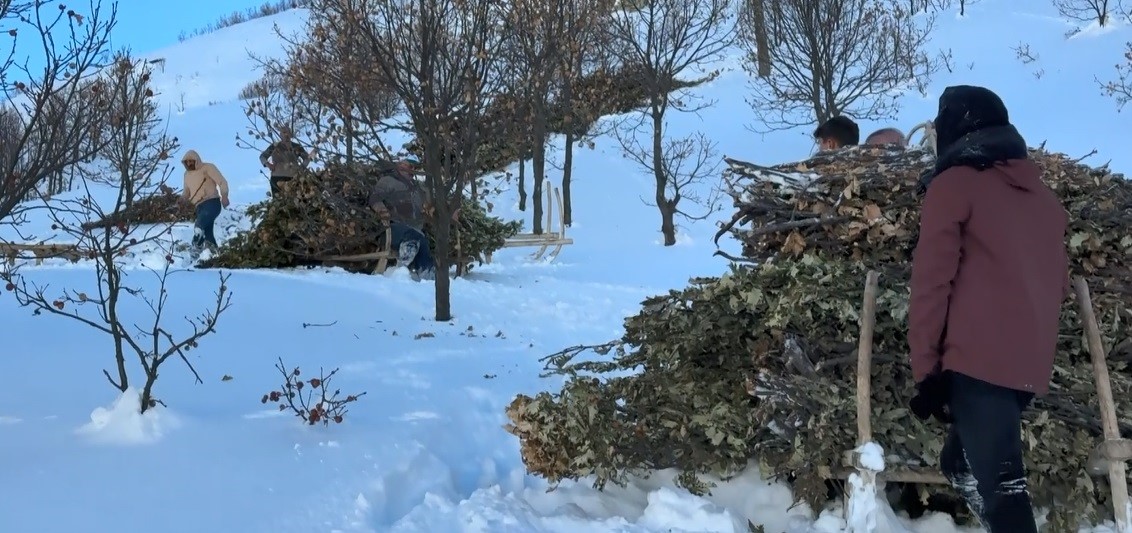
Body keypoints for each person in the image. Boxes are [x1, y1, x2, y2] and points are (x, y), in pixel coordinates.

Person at [907, 85, 1069, 532]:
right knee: (959, 462)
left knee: (1005, 494)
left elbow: (931, 283)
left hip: (976, 364)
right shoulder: (1044, 201)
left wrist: (927, 370)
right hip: (1027, 368)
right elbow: (1059, 285)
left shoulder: (954, 185)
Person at [368, 160, 436, 279]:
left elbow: (429, 206)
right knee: (412, 236)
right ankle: (401, 271)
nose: (412, 169)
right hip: (392, 227)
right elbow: (375, 199)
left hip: (415, 228)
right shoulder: (388, 181)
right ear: (400, 165)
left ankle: (427, 274)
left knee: (423, 241)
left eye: (414, 167)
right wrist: (382, 211)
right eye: (409, 165)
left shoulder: (418, 187)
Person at [181, 149, 230, 257]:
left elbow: (222, 181)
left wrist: (224, 195)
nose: (189, 163)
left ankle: (195, 250)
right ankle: (215, 255)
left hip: (211, 203)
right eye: (187, 162)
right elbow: (186, 192)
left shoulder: (207, 168)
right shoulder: (186, 175)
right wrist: (181, 201)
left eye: (191, 161)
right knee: (208, 234)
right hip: (199, 207)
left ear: (196, 160)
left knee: (199, 226)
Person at [259, 127, 310, 196]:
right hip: (277, 176)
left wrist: (301, 168)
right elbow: (262, 156)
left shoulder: (296, 146)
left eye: (288, 132)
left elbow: (307, 158)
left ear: (291, 134)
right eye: (284, 132)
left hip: (294, 176)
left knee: (297, 197)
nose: (286, 134)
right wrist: (268, 164)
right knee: (279, 198)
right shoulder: (275, 146)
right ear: (280, 135)